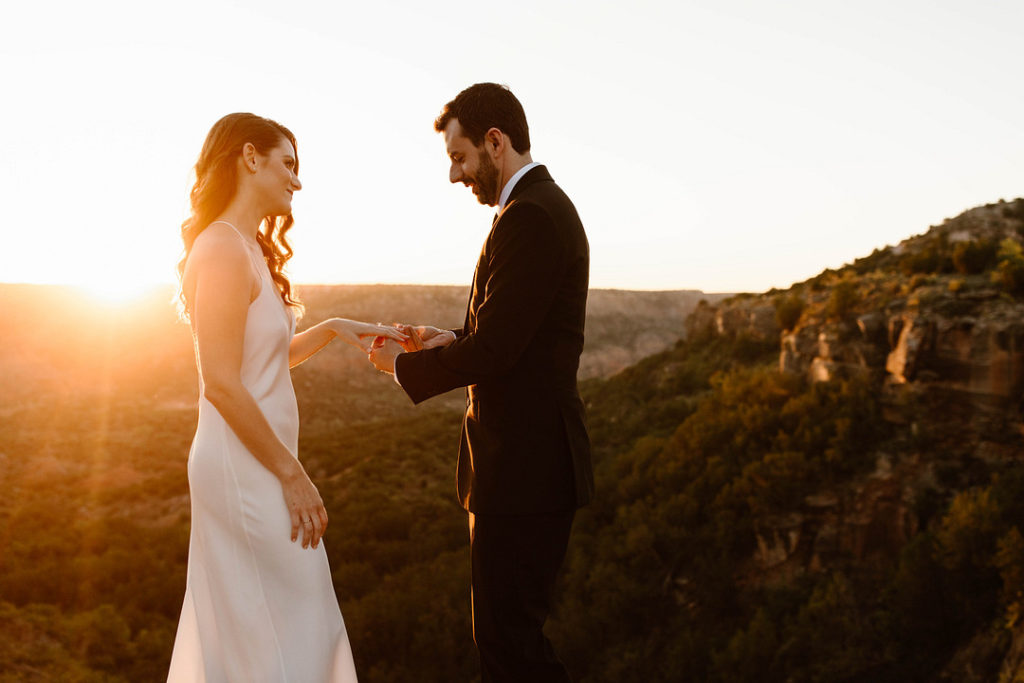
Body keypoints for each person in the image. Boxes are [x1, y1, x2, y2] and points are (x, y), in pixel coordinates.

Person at [368, 83, 594, 682]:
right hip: (523, 469)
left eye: (459, 157)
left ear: (496, 142)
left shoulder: (533, 216)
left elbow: (497, 349)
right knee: (507, 641)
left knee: (509, 647)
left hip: (526, 470)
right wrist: (447, 340)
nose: (453, 175)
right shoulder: (531, 211)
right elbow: (507, 334)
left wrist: (401, 366)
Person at [168, 112, 404, 682]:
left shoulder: (245, 248)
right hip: (243, 466)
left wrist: (333, 328)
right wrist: (291, 474)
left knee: (284, 621)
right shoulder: (222, 248)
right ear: (250, 158)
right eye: (289, 165)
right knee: (298, 618)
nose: (297, 181)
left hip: (258, 462)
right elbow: (221, 381)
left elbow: (262, 360)